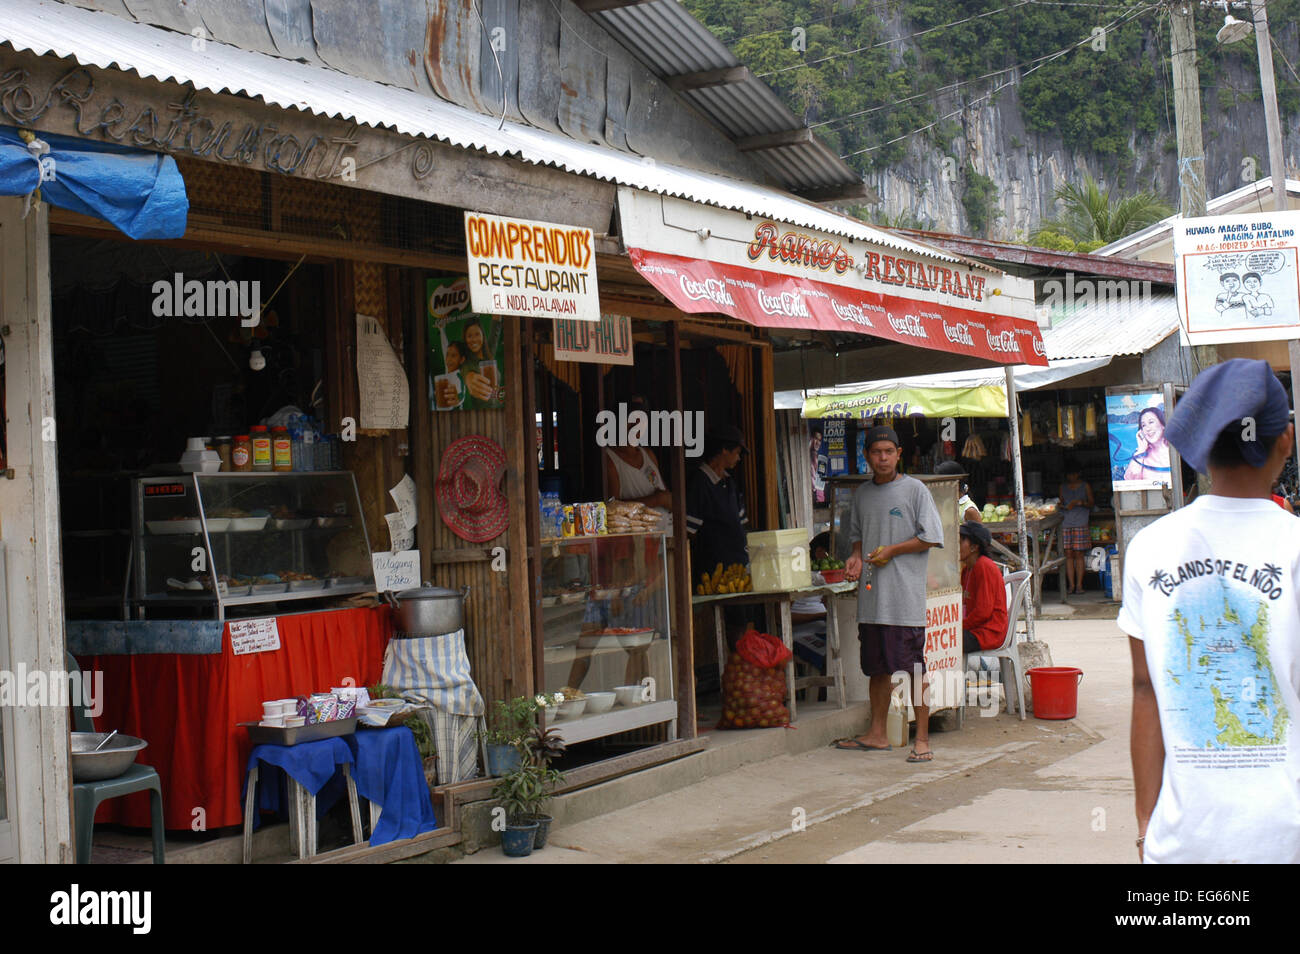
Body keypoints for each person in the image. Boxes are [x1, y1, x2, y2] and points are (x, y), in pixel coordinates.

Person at [1121, 358, 1300, 863]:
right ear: (1285, 439)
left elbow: (1144, 689)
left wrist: (1144, 824)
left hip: (1181, 840)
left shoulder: (1149, 548)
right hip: (1285, 837)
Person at [835, 425, 944, 762]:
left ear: (898, 454)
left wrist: (892, 551)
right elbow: (857, 536)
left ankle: (922, 739)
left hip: (903, 600)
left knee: (912, 671)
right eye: (876, 452)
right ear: (867, 456)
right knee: (876, 669)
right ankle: (877, 734)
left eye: (888, 452)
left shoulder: (915, 491)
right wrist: (855, 556)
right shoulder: (862, 495)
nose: (882, 458)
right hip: (871, 600)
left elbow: (931, 536)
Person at [686, 424, 749, 585]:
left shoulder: (729, 483)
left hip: (740, 569)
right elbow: (689, 532)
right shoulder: (700, 483)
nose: (738, 458)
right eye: (737, 453)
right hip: (715, 574)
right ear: (724, 450)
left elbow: (741, 525)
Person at [604, 396, 671, 511]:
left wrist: (664, 499)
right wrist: (657, 500)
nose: (637, 424)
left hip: (667, 527)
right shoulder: (610, 460)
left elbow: (668, 499)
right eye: (631, 417)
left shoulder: (648, 454)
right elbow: (612, 508)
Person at [957, 521, 1007, 655]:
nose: (956, 546)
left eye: (960, 542)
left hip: (988, 632)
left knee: (944, 642)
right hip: (976, 629)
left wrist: (958, 626)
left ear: (974, 547)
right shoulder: (966, 570)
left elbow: (983, 611)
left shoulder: (984, 566)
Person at [1059, 459, 1094, 595]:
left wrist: (1080, 502)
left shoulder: (1085, 486)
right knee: (1068, 553)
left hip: (1080, 521)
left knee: (1079, 553)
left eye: (1073, 474)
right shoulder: (1062, 487)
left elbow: (1091, 503)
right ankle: (1071, 585)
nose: (1071, 477)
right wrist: (1062, 506)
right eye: (1069, 475)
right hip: (1066, 522)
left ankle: (1079, 585)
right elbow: (1060, 502)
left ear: (1078, 474)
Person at [1123, 406, 1171, 484]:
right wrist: (1141, 450)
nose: (1147, 429)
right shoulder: (1141, 454)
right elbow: (1130, 482)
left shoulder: (1174, 448)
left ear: (1163, 425)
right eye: (1143, 425)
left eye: (1151, 422)